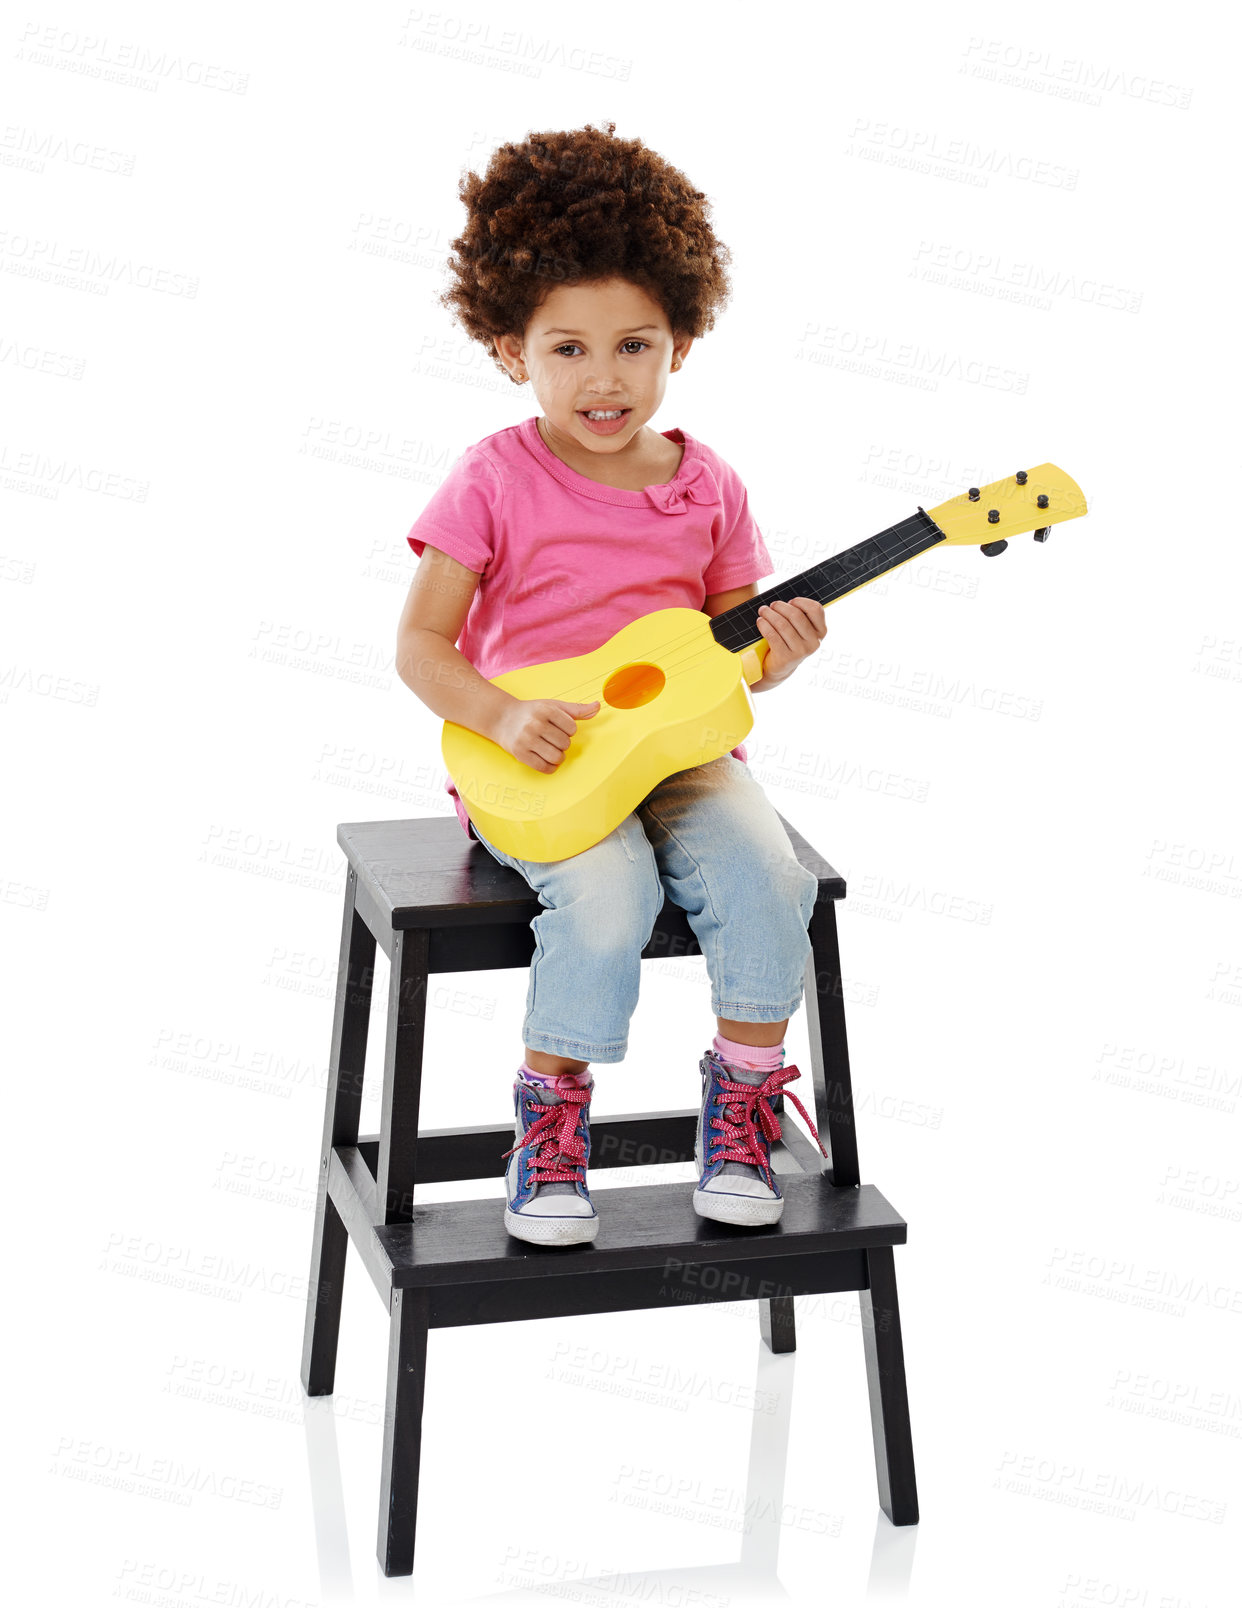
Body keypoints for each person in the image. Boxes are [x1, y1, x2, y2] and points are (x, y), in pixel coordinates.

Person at [396, 122, 829, 1248]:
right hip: (540, 763)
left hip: (684, 761)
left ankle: (739, 1109)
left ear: (680, 339)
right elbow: (422, 650)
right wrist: (499, 712)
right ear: (509, 348)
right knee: (609, 896)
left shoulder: (706, 486)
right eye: (568, 349)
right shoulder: (493, 480)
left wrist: (778, 652)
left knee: (769, 877)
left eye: (634, 346)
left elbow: (730, 659)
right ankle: (550, 1130)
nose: (604, 379)